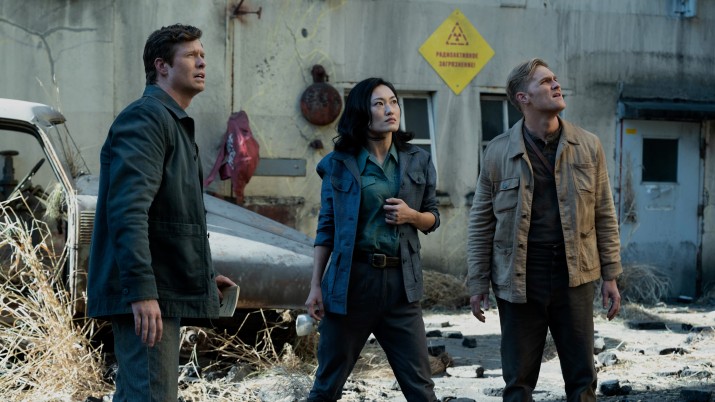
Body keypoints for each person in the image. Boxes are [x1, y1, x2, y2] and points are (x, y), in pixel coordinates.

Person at [87, 24, 236, 402]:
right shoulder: (146, 119)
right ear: (162, 66)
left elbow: (171, 219)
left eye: (203, 55)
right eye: (191, 55)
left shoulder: (172, 122)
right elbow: (128, 210)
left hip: (160, 288)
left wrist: (201, 277)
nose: (202, 62)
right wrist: (140, 290)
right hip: (147, 295)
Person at [467, 58, 622, 402]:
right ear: (523, 98)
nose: (556, 85)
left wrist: (610, 275)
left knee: (582, 378)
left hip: (574, 274)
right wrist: (477, 282)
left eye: (555, 79)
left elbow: (604, 213)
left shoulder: (588, 145)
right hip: (519, 276)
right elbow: (481, 222)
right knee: (518, 380)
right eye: (545, 81)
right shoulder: (497, 152)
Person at [305, 77, 440, 402]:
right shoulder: (338, 165)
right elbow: (327, 228)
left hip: (401, 285)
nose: (390, 109)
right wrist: (315, 286)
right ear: (361, 113)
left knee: (422, 391)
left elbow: (433, 217)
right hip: (351, 283)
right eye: (379, 104)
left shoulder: (418, 159)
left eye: (393, 102)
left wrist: (412, 216)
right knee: (326, 387)